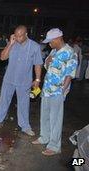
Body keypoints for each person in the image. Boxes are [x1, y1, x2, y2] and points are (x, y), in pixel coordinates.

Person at [0, 25, 43, 136]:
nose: (18, 38)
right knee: (4, 100)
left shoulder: (34, 46)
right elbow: (3, 57)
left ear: (26, 34)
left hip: (24, 81)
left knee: (24, 104)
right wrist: (10, 43)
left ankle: (25, 126)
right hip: (9, 79)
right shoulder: (13, 44)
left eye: (20, 36)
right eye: (16, 36)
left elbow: (38, 63)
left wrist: (37, 79)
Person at [32, 28, 78, 156]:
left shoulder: (70, 52)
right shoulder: (53, 50)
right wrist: (47, 61)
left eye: (51, 41)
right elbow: (47, 66)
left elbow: (70, 74)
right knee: (45, 116)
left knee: (55, 119)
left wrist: (63, 91)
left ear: (58, 38)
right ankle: (44, 137)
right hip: (47, 89)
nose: (49, 44)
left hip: (57, 91)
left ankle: (54, 146)